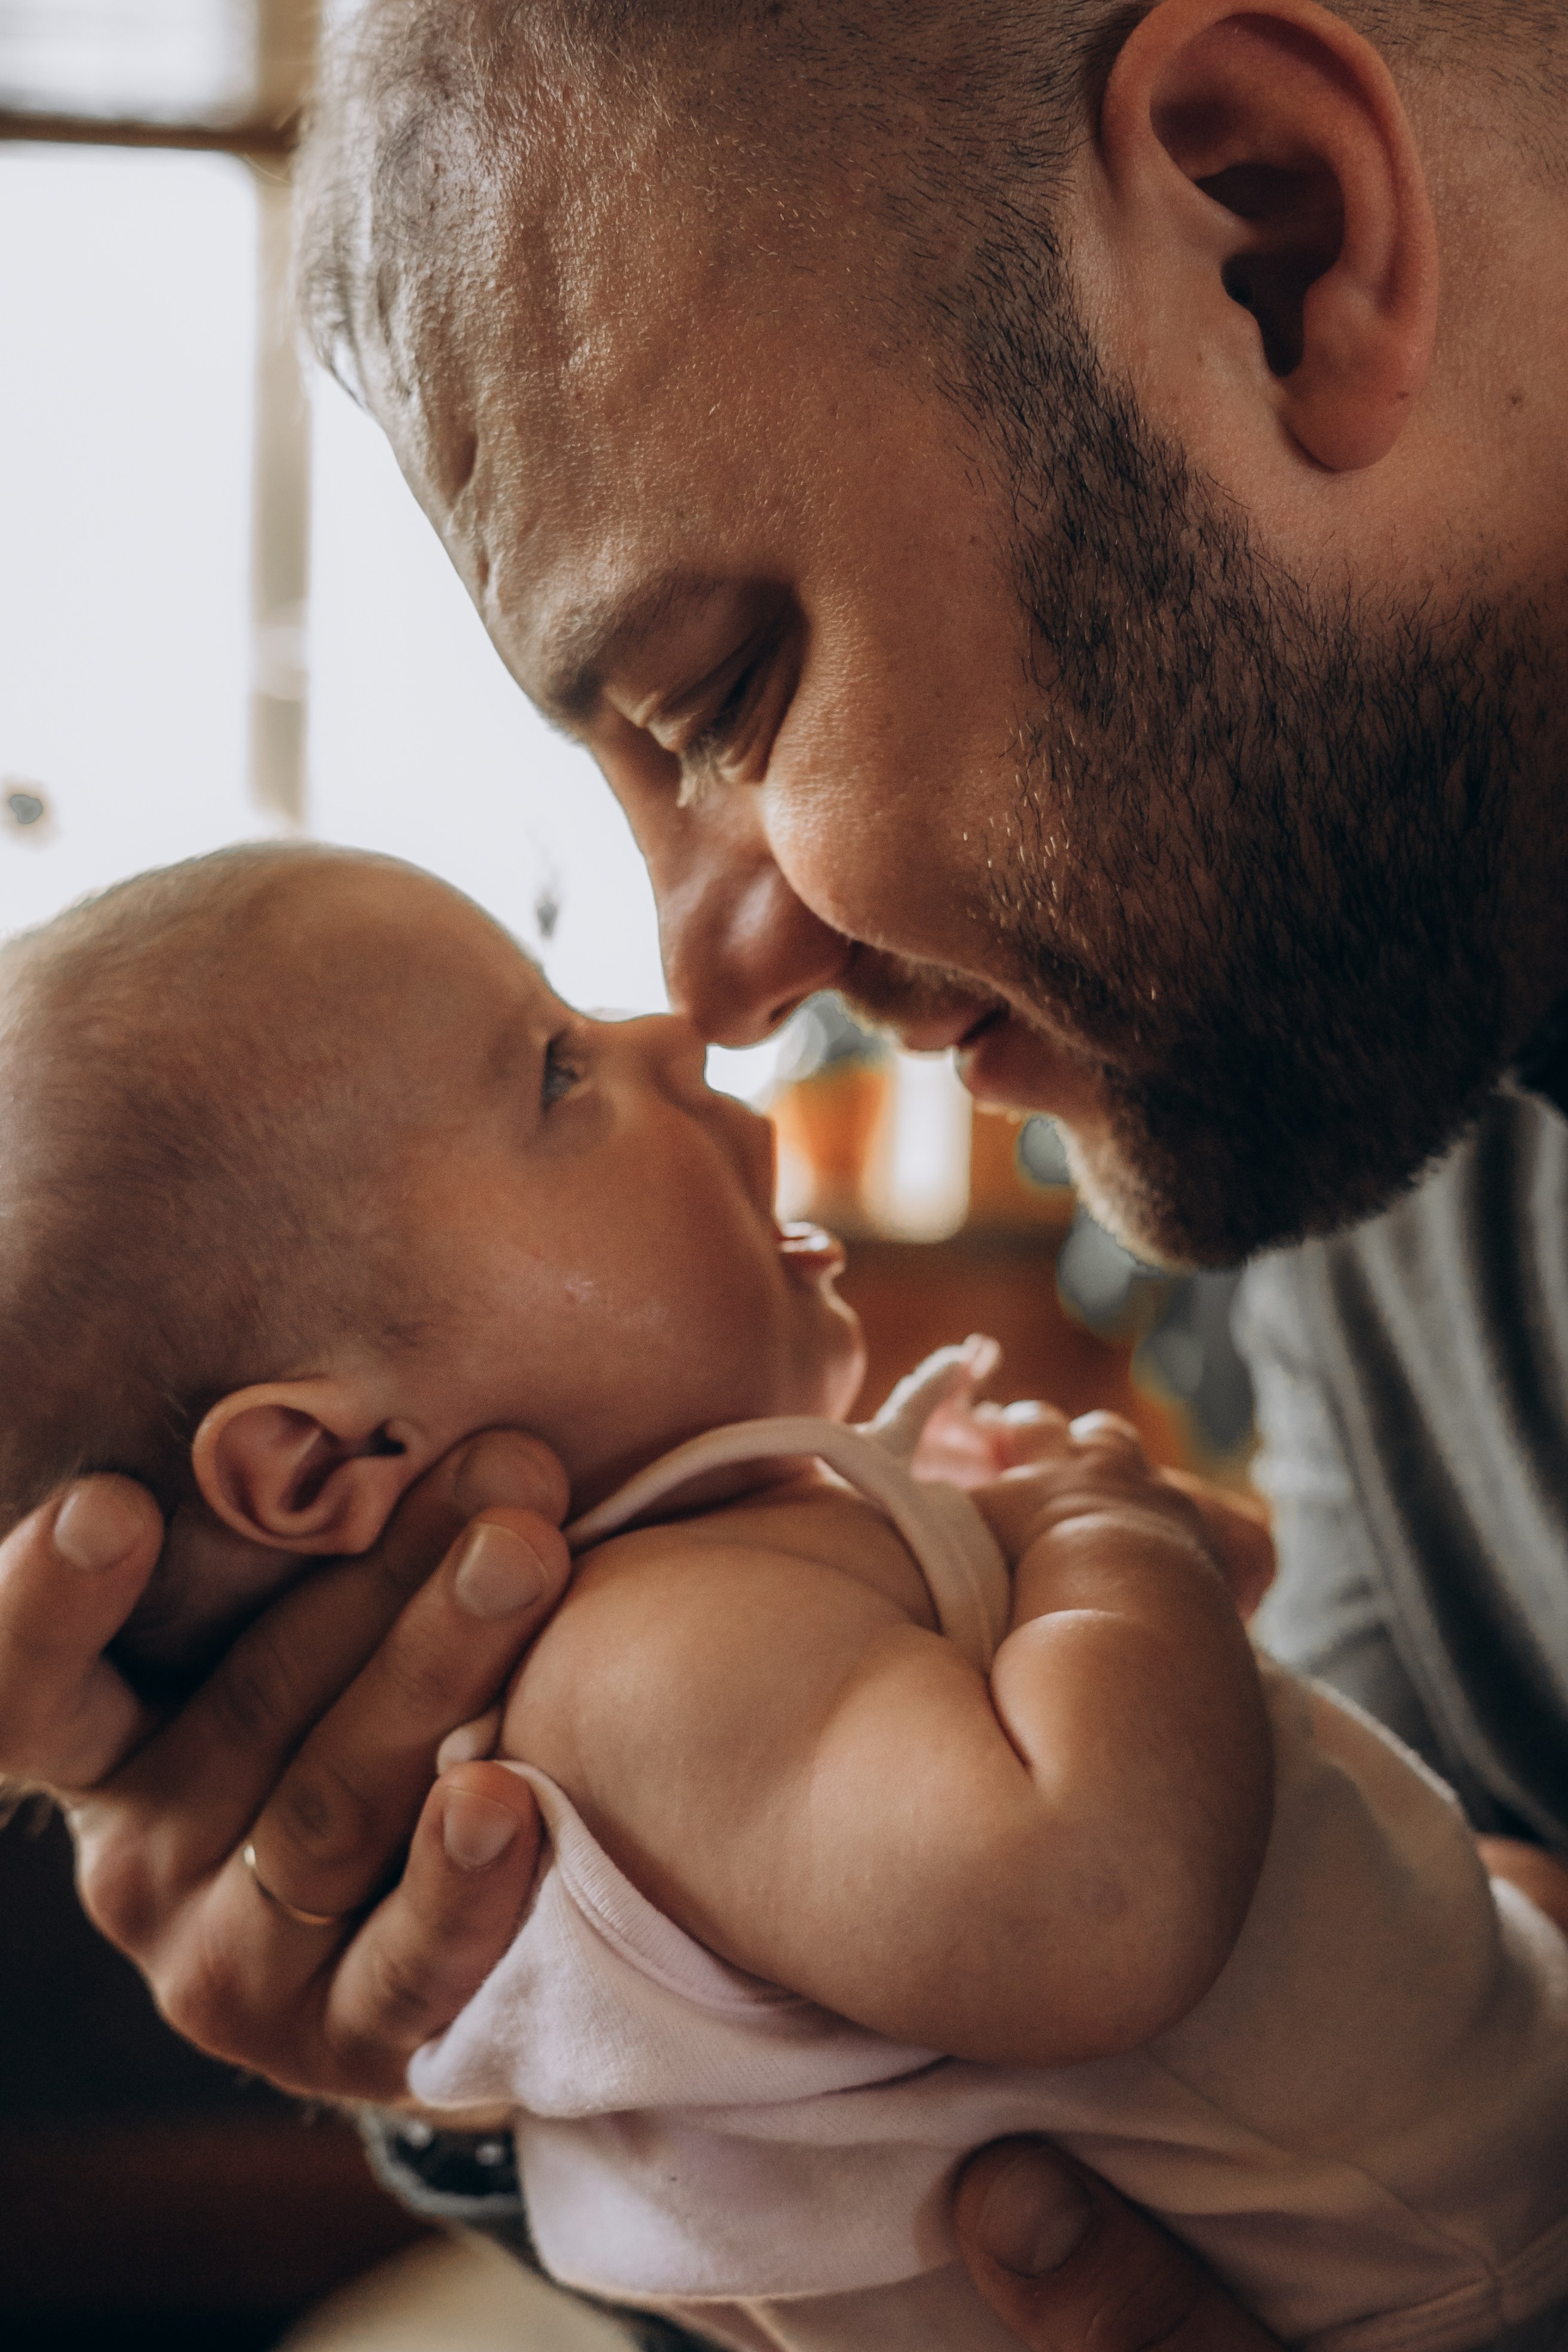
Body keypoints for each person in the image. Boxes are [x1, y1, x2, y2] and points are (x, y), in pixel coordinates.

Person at [3, 0, 1567, 2342]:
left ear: (1274, 240)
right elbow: (1387, 1927)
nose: (718, 978)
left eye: (728, 695)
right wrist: (504, 2006)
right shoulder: (1334, 1050)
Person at [7, 839, 1568, 2352]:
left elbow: (1240, 1732)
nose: (671, 1034)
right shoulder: (638, 1660)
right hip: (1435, 2269)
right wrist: (1100, 1535)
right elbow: (1085, 1897)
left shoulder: (722, 1591)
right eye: (553, 1072)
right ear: (332, 1457)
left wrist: (1048, 1575)